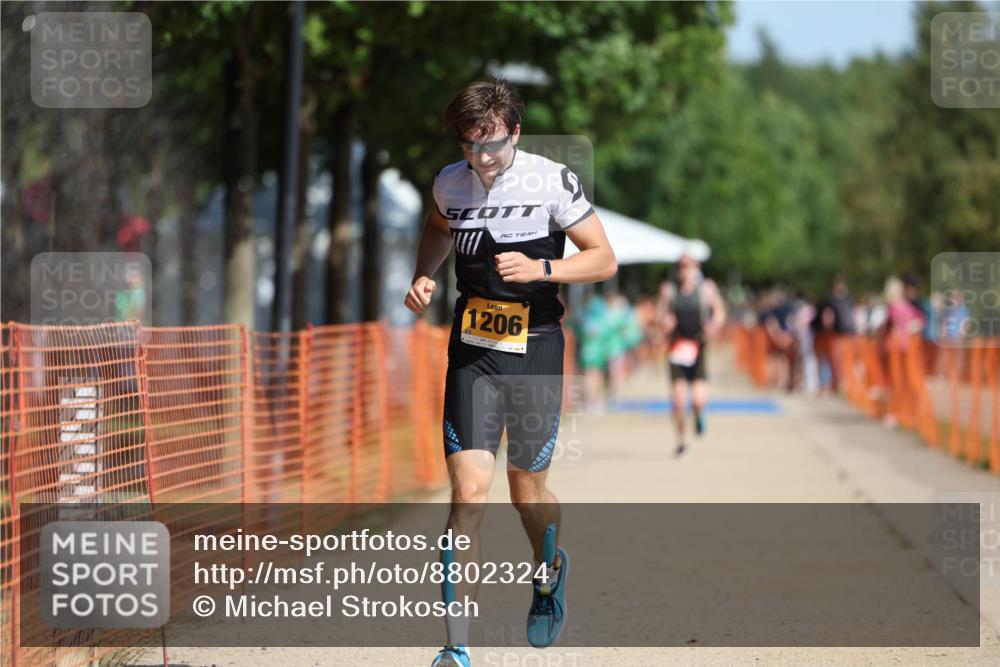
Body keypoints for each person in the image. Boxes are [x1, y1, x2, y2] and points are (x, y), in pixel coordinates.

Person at [404, 78, 617, 667]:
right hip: (473, 351)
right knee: (468, 492)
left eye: (493, 143)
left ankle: (548, 571)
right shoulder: (451, 182)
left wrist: (543, 267)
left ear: (515, 132)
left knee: (527, 494)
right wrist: (425, 274)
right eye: (471, 146)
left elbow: (603, 258)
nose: (483, 158)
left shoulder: (551, 180)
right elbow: (438, 228)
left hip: (537, 351)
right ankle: (456, 646)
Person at [658, 253, 726, 456]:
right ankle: (681, 440)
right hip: (677, 348)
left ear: (697, 267)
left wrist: (713, 326)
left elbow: (720, 312)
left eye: (688, 266)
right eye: (681, 266)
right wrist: (664, 321)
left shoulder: (707, 289)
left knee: (698, 400)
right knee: (678, 401)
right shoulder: (669, 290)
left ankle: (698, 415)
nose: (684, 270)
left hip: (698, 346)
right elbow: (658, 313)